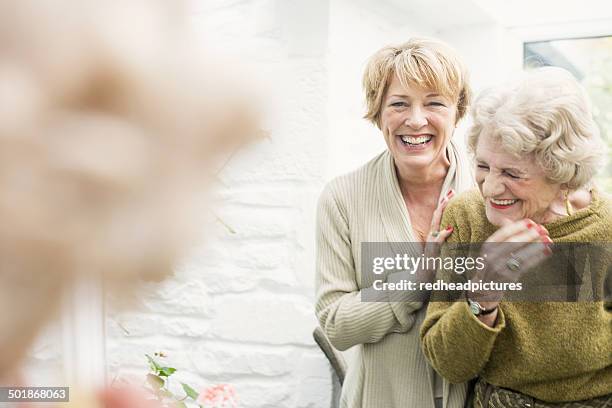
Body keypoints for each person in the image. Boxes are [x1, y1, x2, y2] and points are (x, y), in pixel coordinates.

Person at [420, 67, 612, 407]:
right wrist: (482, 296)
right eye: (483, 166)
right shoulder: (467, 217)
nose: (491, 188)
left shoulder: (605, 228)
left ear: (562, 174)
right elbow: (447, 362)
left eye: (512, 173)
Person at [315, 38, 473, 408]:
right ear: (378, 112)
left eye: (434, 103)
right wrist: (418, 280)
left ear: (457, 111)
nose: (415, 120)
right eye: (399, 104)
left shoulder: (487, 189)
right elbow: (335, 323)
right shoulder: (343, 197)